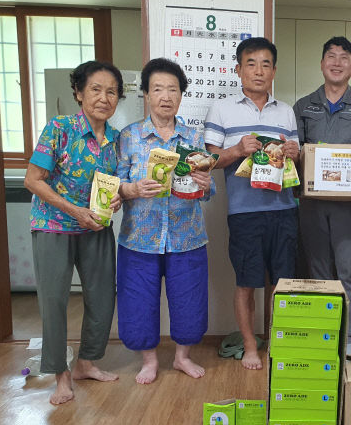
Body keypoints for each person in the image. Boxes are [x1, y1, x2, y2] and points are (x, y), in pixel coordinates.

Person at [24, 60, 123, 405]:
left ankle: (85, 363)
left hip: (96, 228)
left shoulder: (116, 139)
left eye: (111, 91)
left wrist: (115, 203)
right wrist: (73, 211)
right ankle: (61, 376)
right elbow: (32, 180)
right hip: (53, 226)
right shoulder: (60, 129)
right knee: (54, 301)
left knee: (102, 297)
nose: (104, 97)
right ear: (79, 93)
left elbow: (113, 186)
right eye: (95, 89)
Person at [117, 58, 214, 384]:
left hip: (186, 235)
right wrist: (132, 188)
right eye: (157, 88)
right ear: (145, 94)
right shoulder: (129, 137)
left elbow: (206, 184)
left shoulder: (192, 136)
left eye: (173, 89)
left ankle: (182, 357)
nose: (165, 96)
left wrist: (205, 185)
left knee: (189, 298)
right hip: (138, 237)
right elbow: (113, 184)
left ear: (181, 95)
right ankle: (148, 361)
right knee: (138, 299)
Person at [205, 37, 300, 370]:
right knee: (246, 281)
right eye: (251, 63)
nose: (258, 71)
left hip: (284, 208)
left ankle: (276, 342)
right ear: (238, 69)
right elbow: (209, 159)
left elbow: (295, 157)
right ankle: (250, 346)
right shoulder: (222, 109)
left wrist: (293, 153)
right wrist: (236, 151)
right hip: (244, 211)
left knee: (282, 283)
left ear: (274, 70)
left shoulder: (286, 111)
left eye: (265, 64)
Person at [293, 36, 351, 354]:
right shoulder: (303, 106)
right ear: (322, 64)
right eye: (330, 56)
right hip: (312, 204)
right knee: (318, 271)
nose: (336, 62)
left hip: (349, 206)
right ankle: (324, 335)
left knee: (350, 271)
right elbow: (296, 152)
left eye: (343, 57)